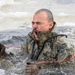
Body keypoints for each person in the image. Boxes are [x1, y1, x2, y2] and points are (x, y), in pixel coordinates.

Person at [21, 9, 74, 75]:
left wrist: (39, 70)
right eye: (33, 23)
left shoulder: (62, 45)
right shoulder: (30, 39)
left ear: (50, 25)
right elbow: (21, 57)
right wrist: (5, 55)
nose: (34, 26)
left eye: (38, 23)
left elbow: (66, 71)